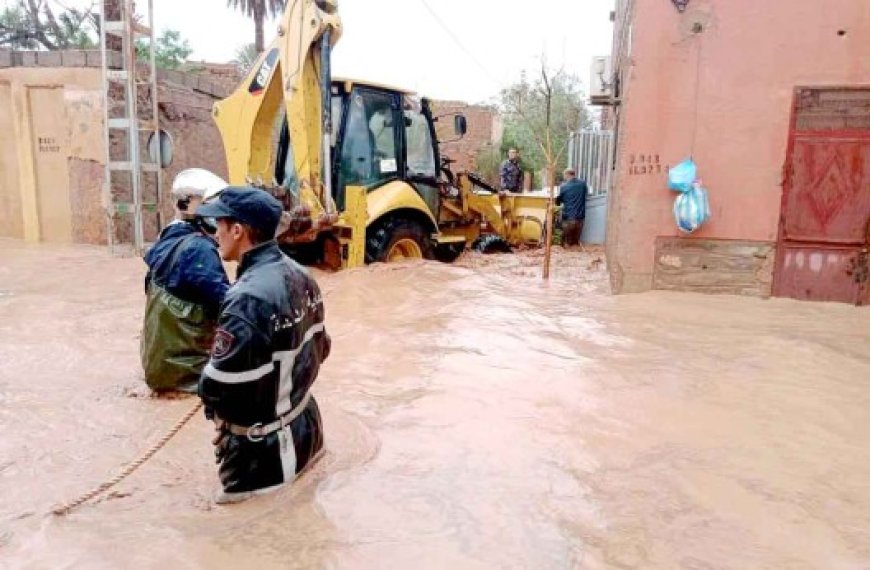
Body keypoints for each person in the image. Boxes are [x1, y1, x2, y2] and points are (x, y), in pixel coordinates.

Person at [196, 187, 331, 504]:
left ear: (238, 231)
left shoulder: (245, 298)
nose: (215, 234)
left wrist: (218, 417)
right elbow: (322, 349)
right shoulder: (303, 276)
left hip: (264, 455)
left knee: (241, 543)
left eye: (219, 225)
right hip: (308, 430)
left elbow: (217, 385)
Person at [140, 168, 231, 393]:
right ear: (188, 206)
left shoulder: (167, 239)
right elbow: (229, 306)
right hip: (190, 374)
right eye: (211, 205)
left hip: (159, 367)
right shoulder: (199, 249)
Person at [555, 168, 589, 247]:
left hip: (568, 218)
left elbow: (559, 200)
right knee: (575, 243)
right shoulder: (583, 184)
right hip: (580, 218)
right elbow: (586, 195)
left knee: (568, 244)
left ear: (567, 175)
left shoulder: (564, 186)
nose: (564, 178)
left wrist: (557, 204)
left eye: (564, 176)